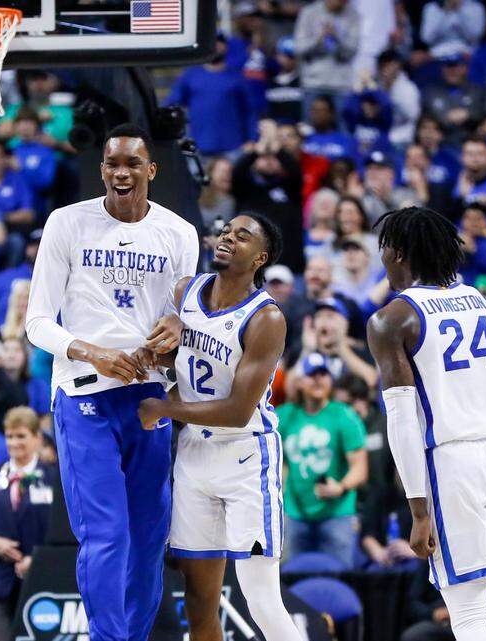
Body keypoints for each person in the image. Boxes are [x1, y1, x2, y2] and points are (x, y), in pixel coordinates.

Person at [24, 124, 199, 641]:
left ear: (152, 170)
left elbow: (183, 313)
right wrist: (93, 352)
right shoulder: (66, 223)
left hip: (149, 395)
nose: (121, 173)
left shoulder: (179, 233)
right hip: (84, 395)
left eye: (131, 164)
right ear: (101, 169)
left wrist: (178, 325)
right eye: (111, 164)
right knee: (107, 534)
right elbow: (37, 323)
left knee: (148, 538)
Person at [365, 206, 486, 641]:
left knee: (469, 615)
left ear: (398, 253)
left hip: (453, 463)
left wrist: (418, 510)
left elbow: (402, 422)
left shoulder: (392, 319)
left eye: (384, 251)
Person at [133, 213, 300, 641]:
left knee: (262, 602)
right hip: (194, 454)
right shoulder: (185, 292)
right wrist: (161, 350)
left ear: (260, 258)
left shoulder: (266, 318)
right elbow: (178, 358)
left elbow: (237, 410)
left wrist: (164, 407)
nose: (227, 239)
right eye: (226, 232)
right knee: (199, 606)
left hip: (246, 455)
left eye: (242, 237)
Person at [0, 406, 55, 641]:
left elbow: (63, 531)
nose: (14, 442)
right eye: (9, 436)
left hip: (44, 584)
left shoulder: (54, 478)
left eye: (21, 436)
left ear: (37, 438)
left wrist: (37, 559)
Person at [276, 352, 368, 568]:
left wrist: (341, 487)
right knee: (292, 579)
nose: (318, 379)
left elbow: (360, 467)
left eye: (323, 374)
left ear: (331, 380)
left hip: (337, 514)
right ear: (299, 382)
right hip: (294, 513)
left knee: (339, 577)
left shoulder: (344, 415)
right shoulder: (284, 416)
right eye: (311, 374)